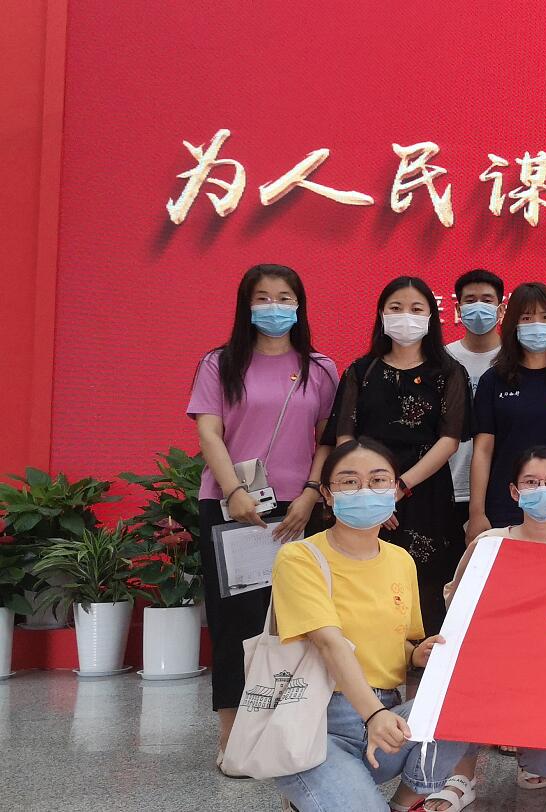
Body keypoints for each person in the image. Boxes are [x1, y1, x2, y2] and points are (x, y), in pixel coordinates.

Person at [188, 264, 339, 776]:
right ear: (246, 304)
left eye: (284, 297)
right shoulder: (219, 363)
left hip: (297, 508)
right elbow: (209, 433)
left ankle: (286, 726)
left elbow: (326, 439)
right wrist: (233, 492)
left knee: (296, 619)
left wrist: (312, 494)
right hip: (232, 506)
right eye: (263, 298)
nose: (275, 307)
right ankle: (231, 732)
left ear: (300, 305)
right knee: (236, 622)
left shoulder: (320, 368)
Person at [270, 438, 475, 812]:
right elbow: (330, 643)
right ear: (328, 494)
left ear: (396, 490)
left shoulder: (400, 560)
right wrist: (374, 714)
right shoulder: (299, 557)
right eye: (350, 481)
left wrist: (416, 654)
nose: (365, 490)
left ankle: (407, 800)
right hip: (315, 727)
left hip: (386, 720)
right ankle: (313, 789)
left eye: (379, 480)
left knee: (469, 700)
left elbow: (402, 641)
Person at [325, 276, 472, 635]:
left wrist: (398, 487)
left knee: (428, 589)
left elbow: (449, 441)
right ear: (381, 314)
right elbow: (345, 436)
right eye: (396, 307)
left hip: (426, 493)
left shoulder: (449, 372)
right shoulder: (361, 371)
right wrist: (372, 491)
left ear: (431, 317)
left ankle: (424, 664)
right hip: (365, 494)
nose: (406, 315)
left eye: (416, 308)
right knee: (367, 586)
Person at [442, 446, 546, 794]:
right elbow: (456, 600)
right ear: (514, 491)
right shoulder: (489, 543)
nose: (542, 489)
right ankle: (462, 775)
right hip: (492, 666)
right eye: (531, 482)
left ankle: (531, 752)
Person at [466, 282, 546, 543]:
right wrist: (477, 512)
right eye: (526, 318)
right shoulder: (493, 381)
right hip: (504, 504)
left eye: (545, 317)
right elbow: (483, 449)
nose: (537, 325)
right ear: (513, 325)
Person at [445, 269, 506, 536]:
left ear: (501, 309)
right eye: (470, 300)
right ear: (458, 309)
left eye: (487, 300)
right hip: (449, 485)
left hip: (502, 490)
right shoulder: (443, 359)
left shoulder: (514, 360)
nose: (478, 307)